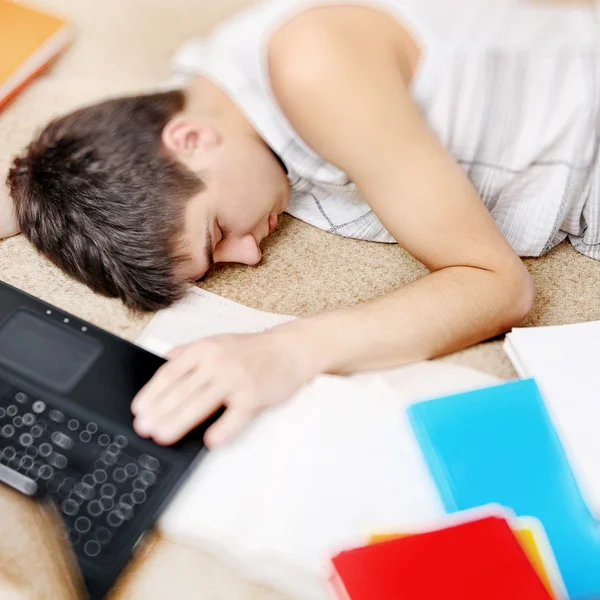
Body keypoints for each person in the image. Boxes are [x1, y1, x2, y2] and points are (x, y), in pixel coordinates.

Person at [4, 0, 598, 448]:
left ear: (189, 141)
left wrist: (285, 352)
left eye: (217, 233)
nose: (251, 255)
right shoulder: (192, 104)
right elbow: (75, 171)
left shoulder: (317, 65)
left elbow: (495, 283)